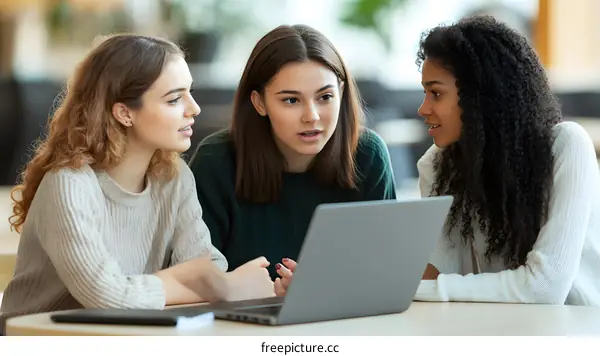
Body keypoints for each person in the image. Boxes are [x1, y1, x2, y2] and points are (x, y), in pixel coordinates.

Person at [0, 34, 274, 333]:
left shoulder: (174, 178)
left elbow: (208, 270)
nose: (194, 108)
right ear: (124, 112)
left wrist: (209, 282)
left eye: (190, 93)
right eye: (174, 99)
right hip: (38, 341)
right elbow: (106, 297)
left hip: (125, 337)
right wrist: (196, 282)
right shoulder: (69, 184)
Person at [411, 16, 600, 305]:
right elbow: (443, 273)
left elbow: (544, 289)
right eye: (425, 93)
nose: (423, 109)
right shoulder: (436, 166)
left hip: (577, 333)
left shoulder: (567, 147)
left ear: (480, 96)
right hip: (496, 327)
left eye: (436, 93)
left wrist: (417, 290)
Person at [188, 24, 397, 284]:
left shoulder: (368, 155)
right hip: (239, 321)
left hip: (345, 320)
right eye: (291, 100)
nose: (312, 116)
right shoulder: (215, 162)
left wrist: (323, 289)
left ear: (341, 93)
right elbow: (196, 280)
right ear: (259, 103)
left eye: (325, 97)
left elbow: (385, 271)